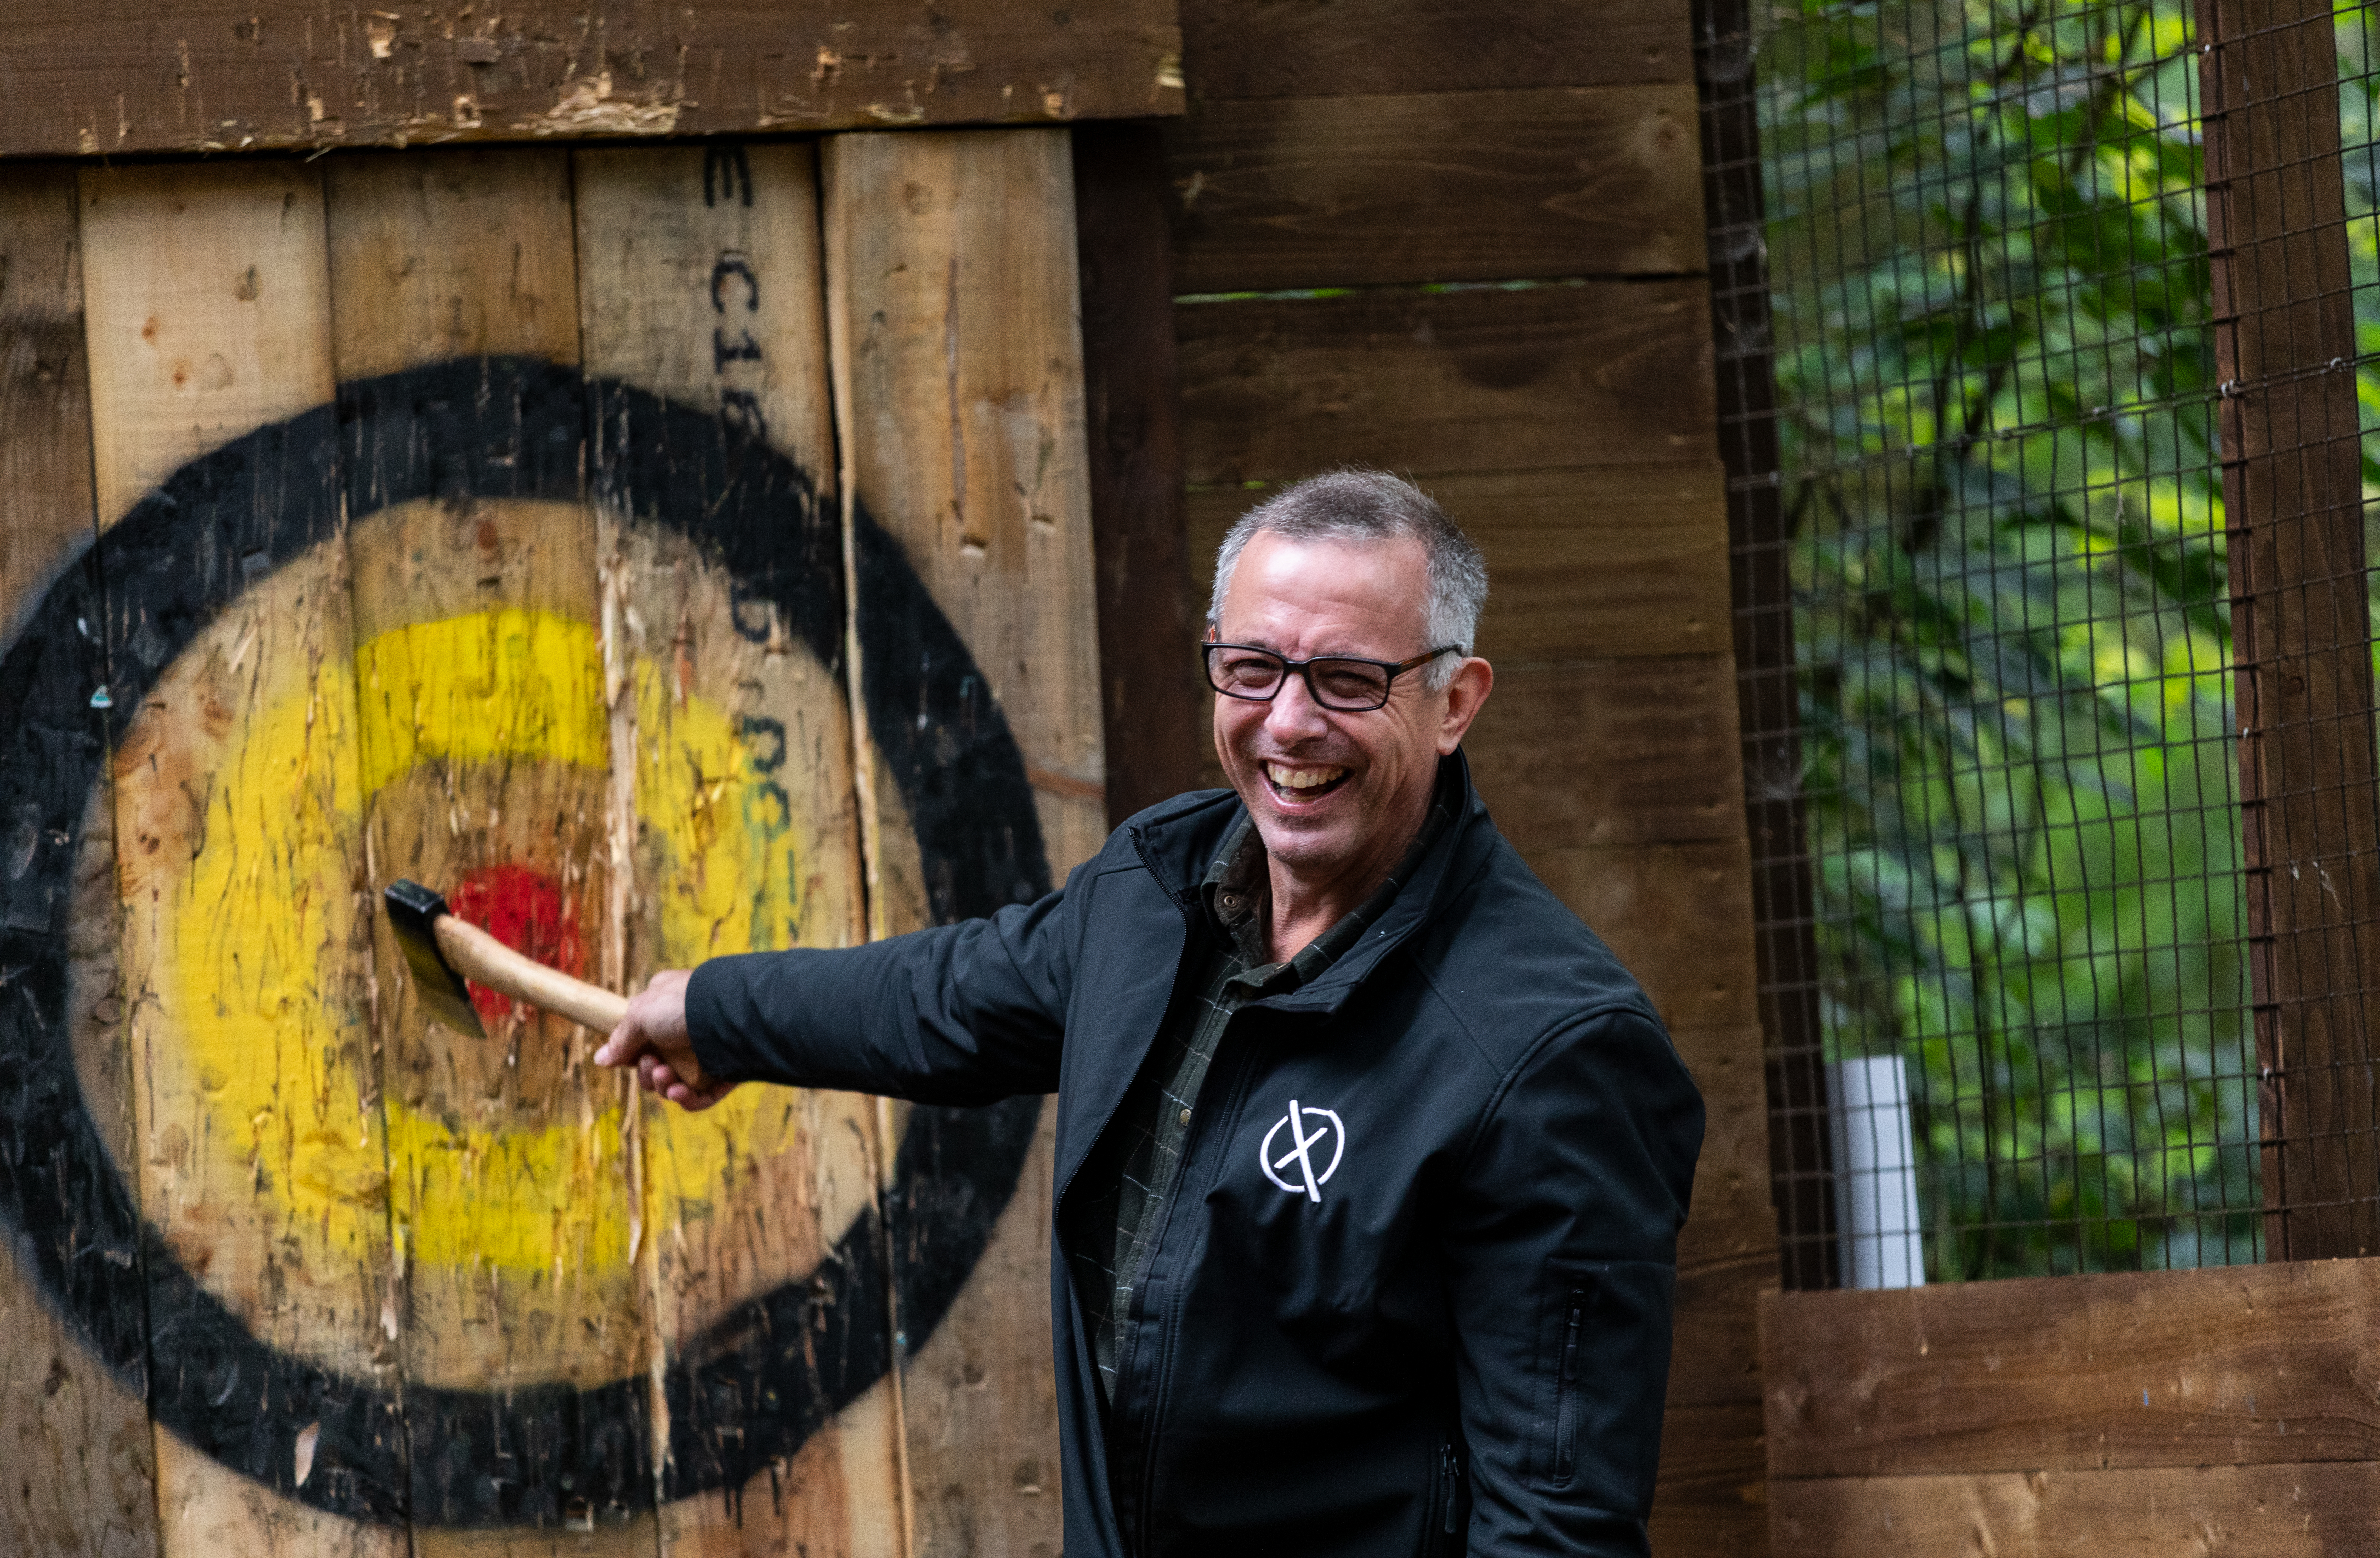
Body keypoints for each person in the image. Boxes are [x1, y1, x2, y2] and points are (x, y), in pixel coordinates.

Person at [598, 468, 1706, 1556]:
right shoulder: (1156, 893)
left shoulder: (1553, 1055)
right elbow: (945, 998)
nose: (1290, 723)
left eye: (1350, 681)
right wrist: (713, 1010)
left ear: (1454, 701)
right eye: (1253, 668)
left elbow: (1558, 1529)